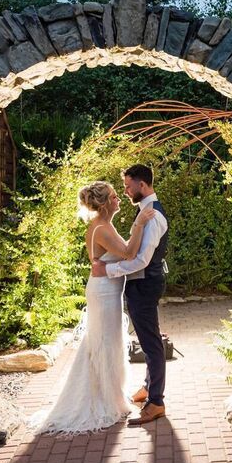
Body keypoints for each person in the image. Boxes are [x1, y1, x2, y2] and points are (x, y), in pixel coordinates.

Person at [31, 181, 154, 434]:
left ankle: (109, 397)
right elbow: (130, 253)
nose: (119, 198)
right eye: (114, 196)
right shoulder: (102, 228)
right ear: (106, 202)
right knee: (104, 343)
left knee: (106, 342)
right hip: (104, 292)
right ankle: (102, 401)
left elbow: (124, 252)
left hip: (106, 290)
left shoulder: (103, 225)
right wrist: (140, 224)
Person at [91, 164, 169, 426]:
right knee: (148, 339)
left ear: (142, 185)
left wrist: (109, 269)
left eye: (127, 186)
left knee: (151, 343)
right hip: (140, 283)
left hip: (145, 282)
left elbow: (142, 260)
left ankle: (156, 402)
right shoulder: (144, 212)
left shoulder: (153, 216)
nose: (125, 191)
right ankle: (148, 387)